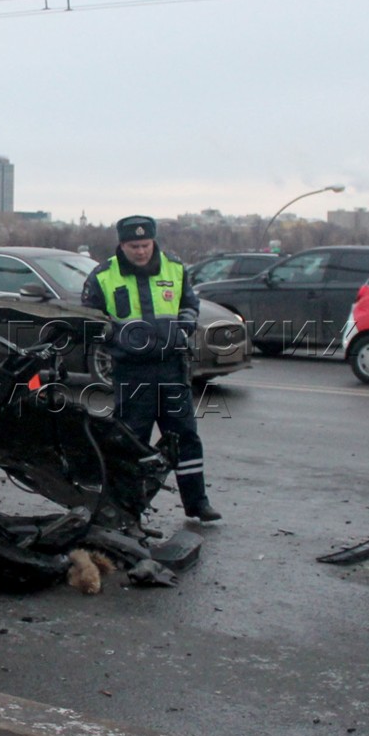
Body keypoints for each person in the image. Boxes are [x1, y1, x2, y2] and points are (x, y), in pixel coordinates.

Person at [81, 214, 221, 523]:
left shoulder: (174, 267)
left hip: (171, 368)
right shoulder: (103, 276)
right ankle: (129, 507)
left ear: (153, 242)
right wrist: (117, 338)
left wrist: (183, 328)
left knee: (185, 437)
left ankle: (197, 503)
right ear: (122, 245)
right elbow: (91, 321)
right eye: (134, 246)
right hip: (132, 373)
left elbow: (189, 304)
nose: (141, 251)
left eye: (145, 245)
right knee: (132, 443)